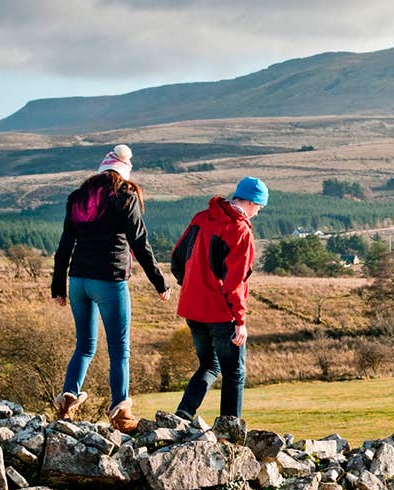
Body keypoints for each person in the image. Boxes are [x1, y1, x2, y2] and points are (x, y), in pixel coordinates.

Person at [50, 144, 171, 432]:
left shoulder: (78, 198)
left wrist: (58, 287)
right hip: (110, 280)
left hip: (78, 280)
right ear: (124, 172)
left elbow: (64, 246)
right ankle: (120, 415)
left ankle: (68, 400)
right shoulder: (125, 196)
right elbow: (140, 244)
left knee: (85, 346)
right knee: (119, 350)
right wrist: (160, 282)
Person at [170, 176, 267, 420]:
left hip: (192, 307)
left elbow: (177, 256)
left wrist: (191, 286)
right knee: (234, 372)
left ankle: (183, 413)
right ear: (251, 202)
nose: (258, 212)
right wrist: (240, 321)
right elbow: (236, 282)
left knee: (209, 365)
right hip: (220, 312)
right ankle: (229, 429)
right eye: (259, 207)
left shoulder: (201, 218)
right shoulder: (240, 230)